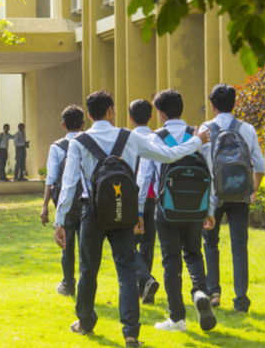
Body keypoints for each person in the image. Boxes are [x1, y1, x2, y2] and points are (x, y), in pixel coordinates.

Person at [54, 90, 210, 347]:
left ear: (89, 115)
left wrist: (60, 221)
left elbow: (69, 183)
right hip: (123, 212)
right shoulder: (129, 137)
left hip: (91, 212)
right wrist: (196, 142)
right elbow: (168, 155)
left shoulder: (79, 142)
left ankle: (85, 322)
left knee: (87, 269)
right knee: (126, 271)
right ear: (111, 111)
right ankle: (130, 333)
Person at [146, 90, 217, 332]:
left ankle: (177, 318)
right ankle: (199, 292)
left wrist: (136, 211)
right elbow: (210, 173)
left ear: (161, 113)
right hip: (196, 208)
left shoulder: (156, 138)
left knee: (171, 262)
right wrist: (210, 209)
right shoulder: (199, 134)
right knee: (194, 254)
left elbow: (146, 177)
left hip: (166, 210)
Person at [199, 84, 265, 314]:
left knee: (209, 243)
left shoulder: (205, 129)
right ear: (234, 103)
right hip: (239, 195)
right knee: (239, 246)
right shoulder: (247, 129)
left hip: (213, 197)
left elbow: (200, 167)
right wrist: (252, 190)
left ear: (213, 106)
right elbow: (261, 165)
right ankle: (241, 300)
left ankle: (214, 292)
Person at [41, 105, 85, 296]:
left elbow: (51, 179)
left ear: (63, 125)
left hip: (64, 202)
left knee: (65, 243)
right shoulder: (88, 143)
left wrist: (44, 206)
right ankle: (86, 282)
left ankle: (68, 283)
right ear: (84, 123)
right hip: (86, 201)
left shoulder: (57, 147)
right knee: (86, 245)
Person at [128, 99, 160, 304]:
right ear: (150, 116)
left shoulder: (126, 139)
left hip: (132, 197)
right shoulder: (157, 138)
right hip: (154, 198)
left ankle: (144, 280)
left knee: (128, 244)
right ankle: (144, 287)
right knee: (148, 244)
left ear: (130, 118)